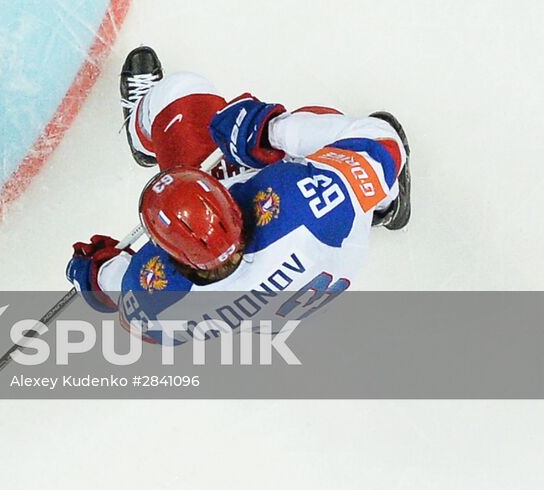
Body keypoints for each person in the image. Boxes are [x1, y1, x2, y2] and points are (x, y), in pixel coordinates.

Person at [65, 46, 410, 341]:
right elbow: (385, 143)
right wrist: (269, 131)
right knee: (326, 124)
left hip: (277, 310)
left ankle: (146, 134)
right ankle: (385, 202)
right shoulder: (298, 204)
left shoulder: (152, 295)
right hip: (326, 237)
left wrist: (93, 275)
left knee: (175, 97)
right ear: (230, 205)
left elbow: (120, 295)